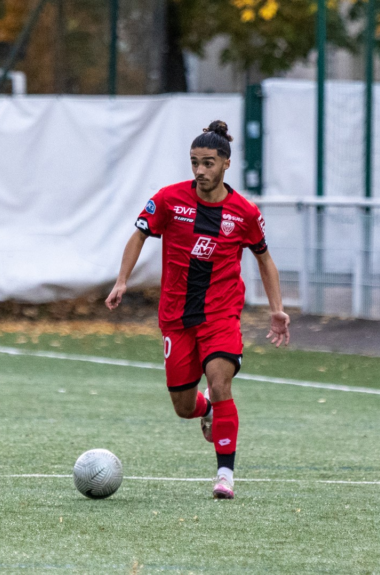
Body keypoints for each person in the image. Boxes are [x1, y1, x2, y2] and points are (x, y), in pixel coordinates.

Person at [105, 120, 290, 499]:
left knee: (220, 382)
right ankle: (204, 408)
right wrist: (122, 280)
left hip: (221, 315)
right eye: (194, 163)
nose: (200, 171)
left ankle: (225, 475)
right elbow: (139, 234)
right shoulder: (170, 200)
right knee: (182, 406)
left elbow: (264, 259)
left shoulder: (245, 213)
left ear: (226, 163)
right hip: (176, 317)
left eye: (208, 163)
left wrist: (277, 309)